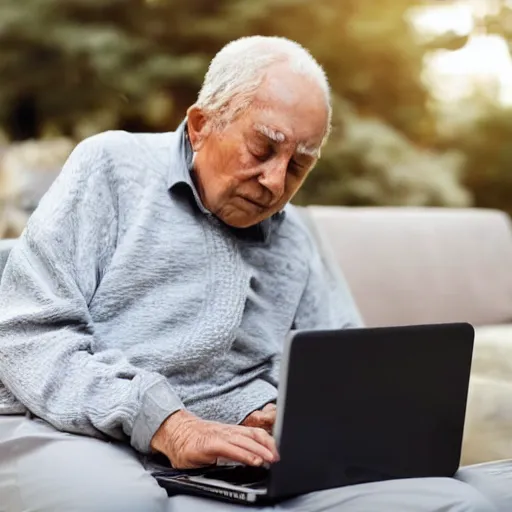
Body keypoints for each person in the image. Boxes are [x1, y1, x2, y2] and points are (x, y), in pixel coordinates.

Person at [0, 35, 509, 512]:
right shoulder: (111, 168)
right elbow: (26, 334)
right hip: (73, 420)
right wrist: (166, 423)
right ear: (201, 124)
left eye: (298, 166)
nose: (273, 182)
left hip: (235, 455)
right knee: (116, 502)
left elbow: (342, 370)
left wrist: (283, 412)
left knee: (459, 500)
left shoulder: (295, 238)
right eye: (263, 148)